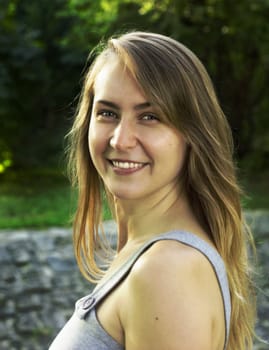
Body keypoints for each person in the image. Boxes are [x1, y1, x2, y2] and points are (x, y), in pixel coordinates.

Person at [49, 31, 256, 350]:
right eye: (108, 113)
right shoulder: (148, 254)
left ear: (192, 135)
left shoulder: (167, 271)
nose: (120, 139)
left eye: (150, 117)